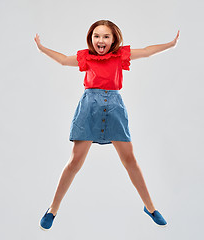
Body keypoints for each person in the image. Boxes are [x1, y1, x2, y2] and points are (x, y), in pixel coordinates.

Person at [34, 20, 180, 230]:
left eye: (105, 36)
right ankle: (52, 209)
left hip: (114, 109)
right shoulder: (86, 56)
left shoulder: (120, 55)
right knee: (75, 162)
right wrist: (41, 48)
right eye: (96, 36)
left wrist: (170, 44)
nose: (100, 40)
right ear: (90, 38)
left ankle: (151, 207)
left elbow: (147, 52)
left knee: (130, 160)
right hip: (89, 109)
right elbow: (64, 60)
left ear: (113, 40)